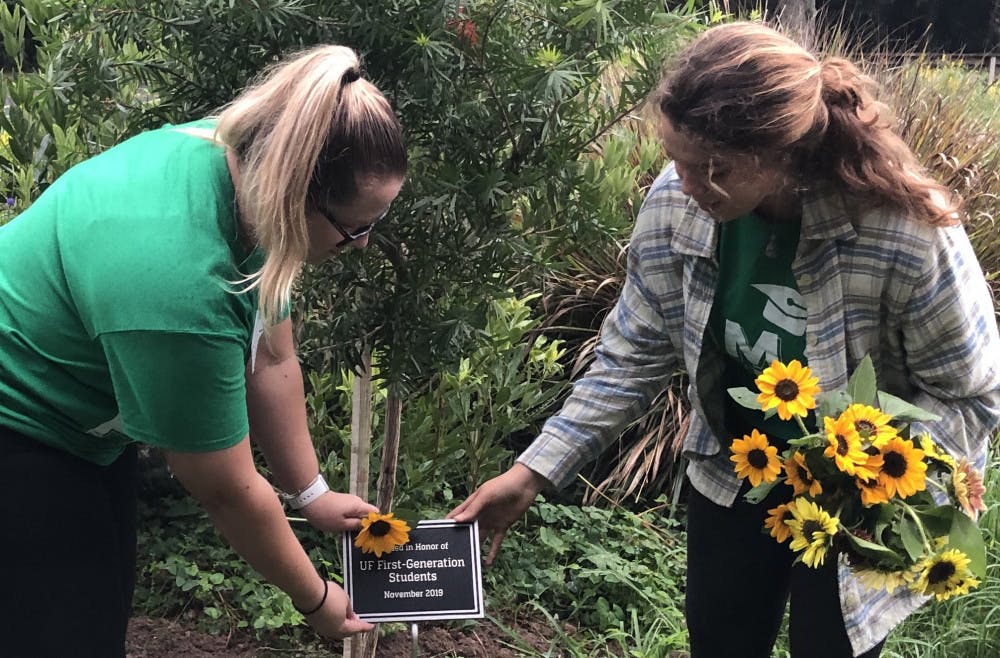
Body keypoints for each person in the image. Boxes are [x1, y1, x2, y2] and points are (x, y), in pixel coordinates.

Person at [449, 22, 1000, 658]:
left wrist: (878, 466)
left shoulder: (904, 233)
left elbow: (971, 393)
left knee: (832, 646)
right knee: (720, 640)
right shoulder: (679, 203)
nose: (683, 185)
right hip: (740, 466)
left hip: (860, 496)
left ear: (783, 153)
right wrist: (532, 473)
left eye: (713, 169)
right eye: (676, 160)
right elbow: (632, 353)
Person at [0, 44, 407, 657]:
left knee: (93, 610)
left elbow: (270, 358)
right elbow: (225, 487)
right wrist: (318, 600)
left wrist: (313, 492)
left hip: (84, 426)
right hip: (19, 421)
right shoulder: (178, 280)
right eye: (356, 227)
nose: (364, 245)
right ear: (295, 191)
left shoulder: (245, 169)